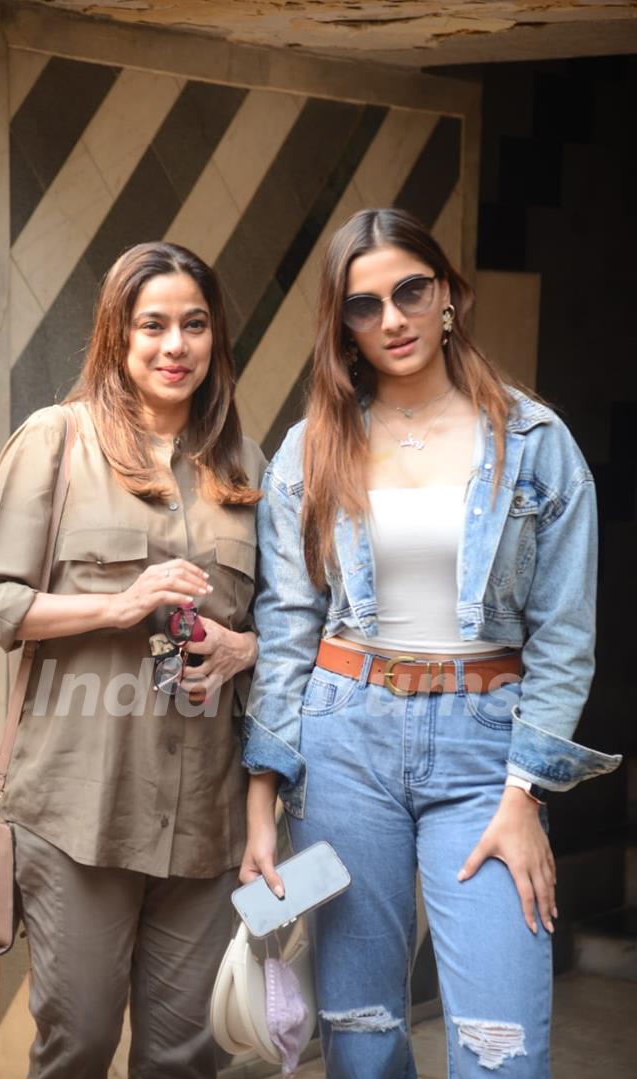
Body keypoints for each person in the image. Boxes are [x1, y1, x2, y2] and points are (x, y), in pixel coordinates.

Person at [239, 208, 620, 1078]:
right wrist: (262, 797)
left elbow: (564, 639)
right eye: (365, 305)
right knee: (363, 1038)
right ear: (343, 324)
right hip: (343, 744)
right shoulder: (311, 448)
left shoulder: (534, 444)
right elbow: (289, 628)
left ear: (449, 293)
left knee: (501, 1052)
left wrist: (526, 793)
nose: (394, 320)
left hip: (488, 756)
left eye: (411, 290)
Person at [0, 242, 264, 1079]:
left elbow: (298, 630)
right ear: (117, 337)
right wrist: (115, 604)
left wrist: (245, 648)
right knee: (78, 1044)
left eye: (194, 324)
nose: (175, 345)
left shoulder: (244, 466)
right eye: (152, 324)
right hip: (76, 812)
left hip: (205, 820)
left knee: (186, 1059)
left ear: (215, 337)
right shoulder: (57, 440)